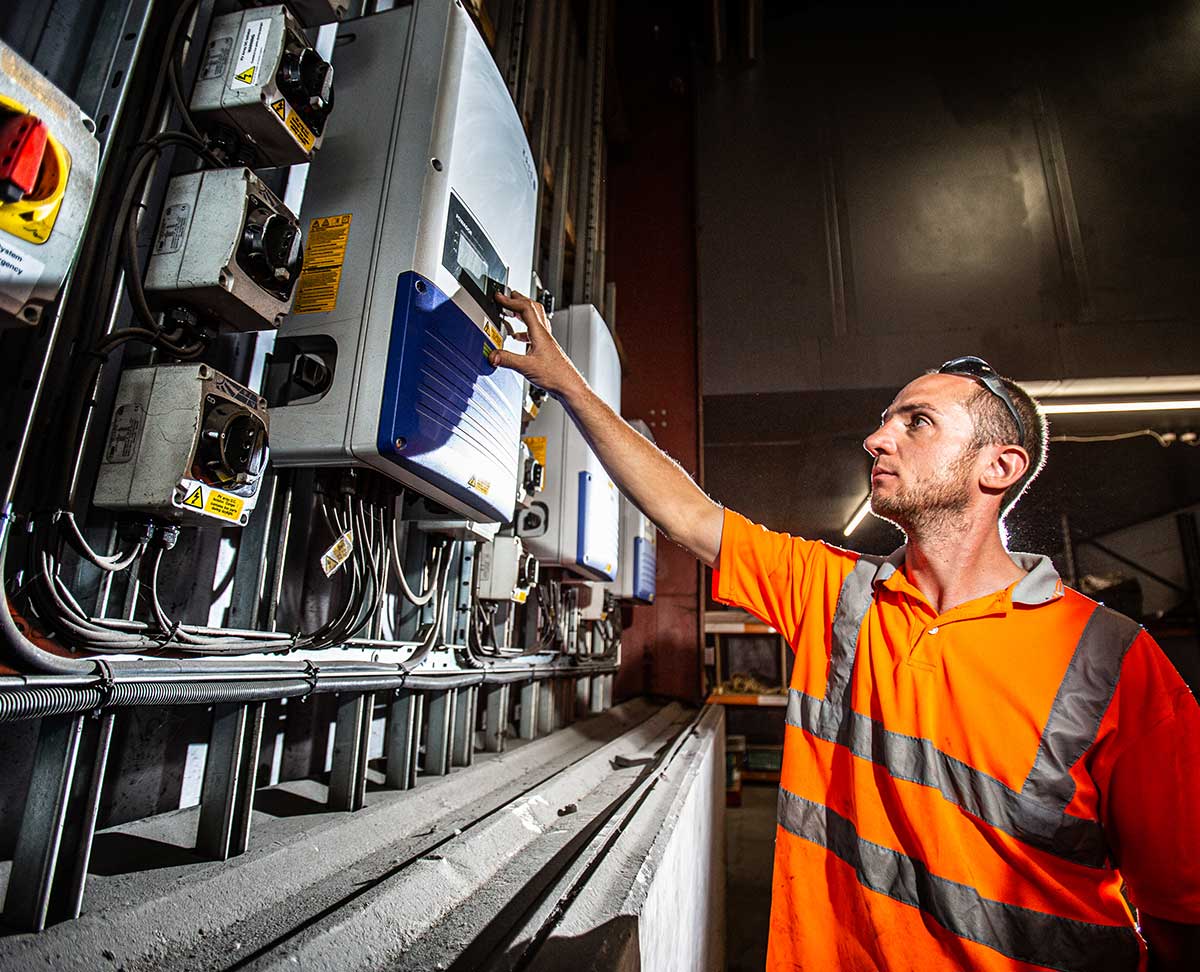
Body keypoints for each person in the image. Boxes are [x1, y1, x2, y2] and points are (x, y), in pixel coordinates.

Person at [491, 291, 1200, 972]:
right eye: (885, 419)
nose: (875, 439)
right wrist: (567, 383)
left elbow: (1182, 919)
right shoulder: (840, 594)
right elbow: (687, 515)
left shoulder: (1111, 664)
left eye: (915, 422)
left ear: (999, 466)